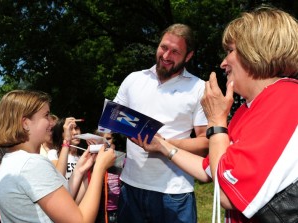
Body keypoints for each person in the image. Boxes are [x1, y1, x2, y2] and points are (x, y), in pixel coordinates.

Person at [134, 6, 298, 223]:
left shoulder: (286, 100)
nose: (223, 63)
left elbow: (228, 195)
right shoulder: (247, 109)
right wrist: (161, 145)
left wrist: (217, 121)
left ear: (256, 50)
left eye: (230, 51)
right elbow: (211, 169)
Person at [114, 23, 208, 223]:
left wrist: (162, 144)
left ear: (188, 56)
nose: (166, 56)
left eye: (175, 52)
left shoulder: (199, 88)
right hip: (130, 186)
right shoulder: (133, 79)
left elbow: (205, 143)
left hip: (175, 193)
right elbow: (113, 120)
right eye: (164, 47)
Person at [0, 90, 115, 222]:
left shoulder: (10, 161)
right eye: (46, 115)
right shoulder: (32, 164)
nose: (52, 123)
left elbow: (61, 204)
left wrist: (79, 170)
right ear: (25, 123)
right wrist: (100, 168)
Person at [94, 132, 125, 223]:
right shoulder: (91, 160)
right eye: (101, 139)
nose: (105, 142)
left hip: (118, 208)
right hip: (99, 210)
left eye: (108, 138)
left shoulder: (121, 158)